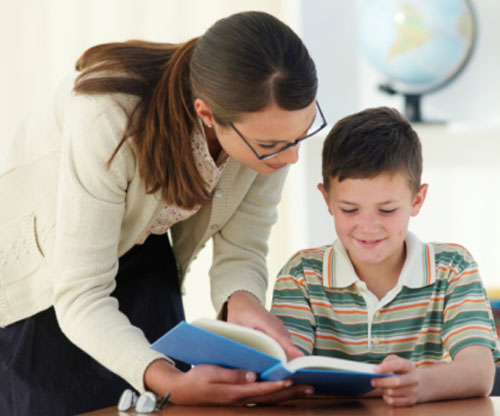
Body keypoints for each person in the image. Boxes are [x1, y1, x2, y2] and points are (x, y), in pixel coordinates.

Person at [0, 11, 326, 415]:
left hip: (143, 248)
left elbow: (242, 251)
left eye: (302, 133)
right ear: (207, 114)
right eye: (274, 144)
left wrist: (241, 302)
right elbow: (81, 294)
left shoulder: (266, 133)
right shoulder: (107, 115)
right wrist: (170, 380)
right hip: (50, 275)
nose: (292, 156)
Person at [271, 107, 500, 406]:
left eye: (387, 210)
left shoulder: (453, 269)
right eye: (349, 210)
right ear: (327, 200)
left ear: (417, 200)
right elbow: (286, 377)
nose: (368, 227)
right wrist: (384, 387)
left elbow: (480, 373)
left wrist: (418, 385)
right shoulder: (301, 275)